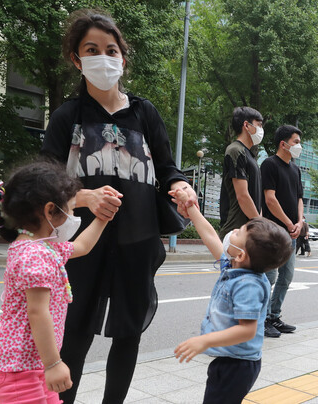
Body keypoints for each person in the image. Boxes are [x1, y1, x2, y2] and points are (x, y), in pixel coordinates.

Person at [40, 10, 196, 403]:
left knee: (128, 336)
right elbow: (44, 185)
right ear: (77, 59)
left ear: (123, 58)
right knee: (74, 337)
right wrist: (85, 198)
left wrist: (180, 186)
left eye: (111, 50)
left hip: (137, 241)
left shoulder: (144, 113)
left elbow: (167, 167)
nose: (103, 58)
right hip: (81, 247)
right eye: (92, 50)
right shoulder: (66, 116)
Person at [0, 161, 110, 403]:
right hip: (19, 369)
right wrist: (54, 364)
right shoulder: (35, 254)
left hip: (32, 364)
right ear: (50, 210)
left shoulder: (43, 247)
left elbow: (82, 246)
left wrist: (103, 218)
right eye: (71, 209)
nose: (72, 216)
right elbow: (37, 312)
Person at [170, 187, 292, 404]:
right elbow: (210, 236)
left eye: (238, 233)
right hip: (231, 360)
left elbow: (247, 330)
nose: (233, 231)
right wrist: (191, 208)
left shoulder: (248, 285)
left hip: (238, 366)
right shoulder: (235, 267)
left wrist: (204, 341)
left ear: (241, 254)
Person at [261, 125, 304, 337]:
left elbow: (299, 198)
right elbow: (270, 199)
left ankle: (273, 316)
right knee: (269, 277)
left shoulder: (295, 169)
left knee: (286, 276)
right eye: (296, 142)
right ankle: (260, 320)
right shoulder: (269, 164)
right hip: (273, 231)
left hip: (292, 232)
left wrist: (299, 222)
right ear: (283, 144)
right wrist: (288, 223)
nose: (299, 146)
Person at [219, 107, 263, 239]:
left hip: (249, 229)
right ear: (246, 125)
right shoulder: (235, 150)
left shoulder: (249, 155)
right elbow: (242, 195)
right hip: (234, 230)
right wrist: (260, 224)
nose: (261, 130)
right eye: (259, 125)